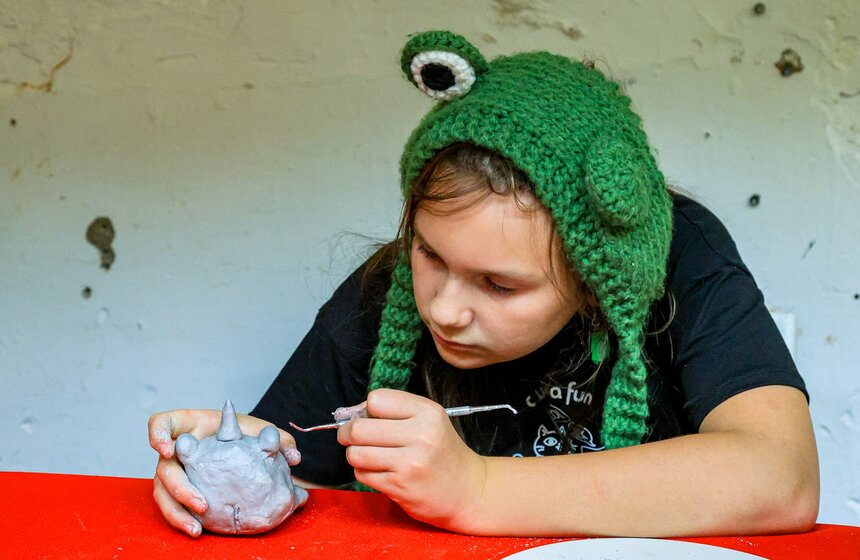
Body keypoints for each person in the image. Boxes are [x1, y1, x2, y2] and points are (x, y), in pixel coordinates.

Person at [149, 30, 819, 538]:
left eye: (499, 286)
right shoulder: (391, 292)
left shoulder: (675, 255)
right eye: (428, 252)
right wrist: (234, 472)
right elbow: (300, 480)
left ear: (594, 283)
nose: (443, 309)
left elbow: (780, 478)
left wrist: (477, 490)